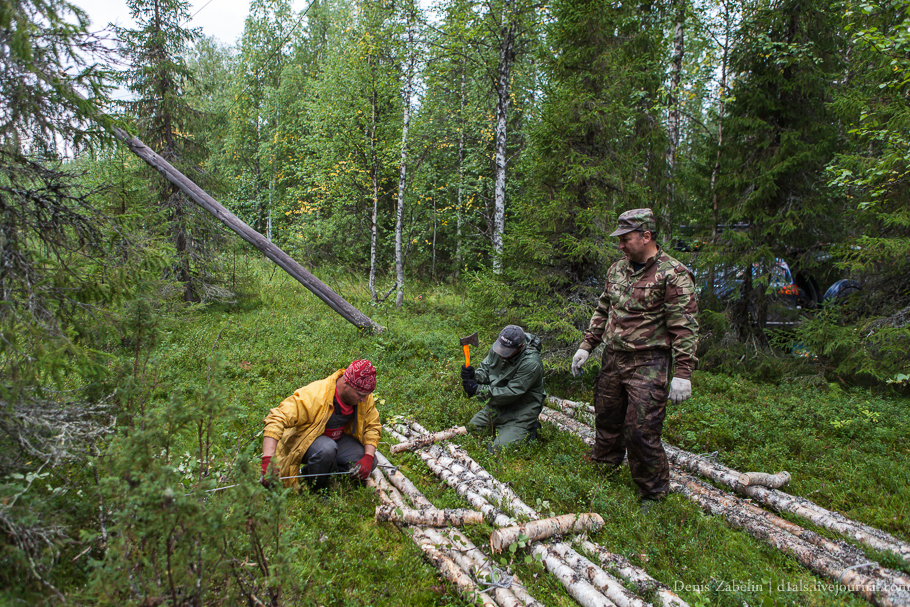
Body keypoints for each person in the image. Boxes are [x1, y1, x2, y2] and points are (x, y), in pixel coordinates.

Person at [570, 208, 698, 509]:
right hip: (614, 357)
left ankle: (653, 492)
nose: (620, 245)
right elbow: (603, 309)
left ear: (646, 236)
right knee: (607, 414)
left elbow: (685, 327)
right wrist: (587, 345)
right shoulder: (617, 270)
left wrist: (683, 373)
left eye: (626, 239)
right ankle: (605, 464)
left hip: (649, 362)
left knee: (641, 429)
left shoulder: (673, 274)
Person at [261, 360, 381, 491]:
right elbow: (276, 418)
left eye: (366, 396)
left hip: (336, 439)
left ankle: (311, 473)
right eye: (360, 395)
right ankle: (317, 490)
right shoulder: (315, 395)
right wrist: (268, 460)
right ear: (346, 383)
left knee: (370, 459)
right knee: (326, 448)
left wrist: (368, 457)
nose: (364, 399)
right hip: (304, 441)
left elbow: (372, 426)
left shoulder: (363, 396)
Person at [461, 325, 545, 450]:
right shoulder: (499, 348)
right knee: (472, 429)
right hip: (498, 406)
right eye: (501, 348)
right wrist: (475, 375)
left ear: (520, 347)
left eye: (507, 351)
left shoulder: (531, 363)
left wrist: (477, 390)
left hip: (520, 411)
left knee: (499, 448)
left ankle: (530, 430)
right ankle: (502, 427)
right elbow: (486, 369)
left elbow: (510, 392)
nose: (502, 354)